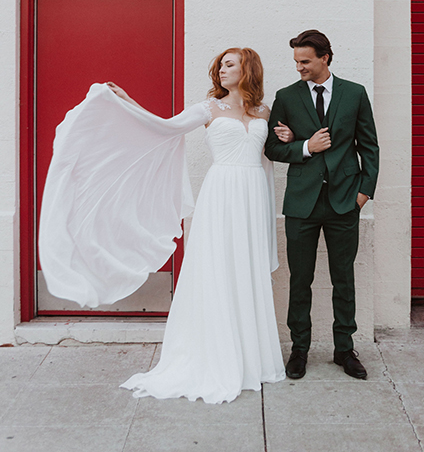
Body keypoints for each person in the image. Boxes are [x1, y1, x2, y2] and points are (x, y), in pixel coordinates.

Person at [39, 47, 286, 404]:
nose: (221, 71)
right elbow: (164, 128)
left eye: (229, 65)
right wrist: (126, 103)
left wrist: (267, 205)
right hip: (220, 197)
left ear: (248, 69)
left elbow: (267, 163)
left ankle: (251, 358)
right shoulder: (208, 108)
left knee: (245, 271)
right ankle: (217, 355)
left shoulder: (263, 111)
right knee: (218, 271)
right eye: (219, 66)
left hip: (252, 196)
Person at [265, 30, 379, 381]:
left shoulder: (355, 93)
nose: (299, 67)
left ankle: (344, 349)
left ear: (325, 58)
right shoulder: (286, 97)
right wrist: (304, 148)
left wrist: (364, 193)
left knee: (343, 279)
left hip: (346, 201)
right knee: (301, 279)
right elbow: (271, 148)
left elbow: (369, 146)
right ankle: (300, 350)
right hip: (302, 203)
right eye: (296, 61)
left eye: (305, 61)